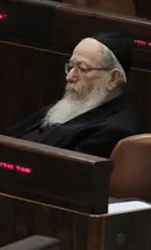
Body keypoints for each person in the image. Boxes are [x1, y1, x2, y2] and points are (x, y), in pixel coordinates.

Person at [8, 32, 139, 158]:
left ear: (113, 79)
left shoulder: (112, 132)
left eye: (82, 68)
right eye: (70, 66)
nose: (70, 76)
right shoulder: (74, 106)